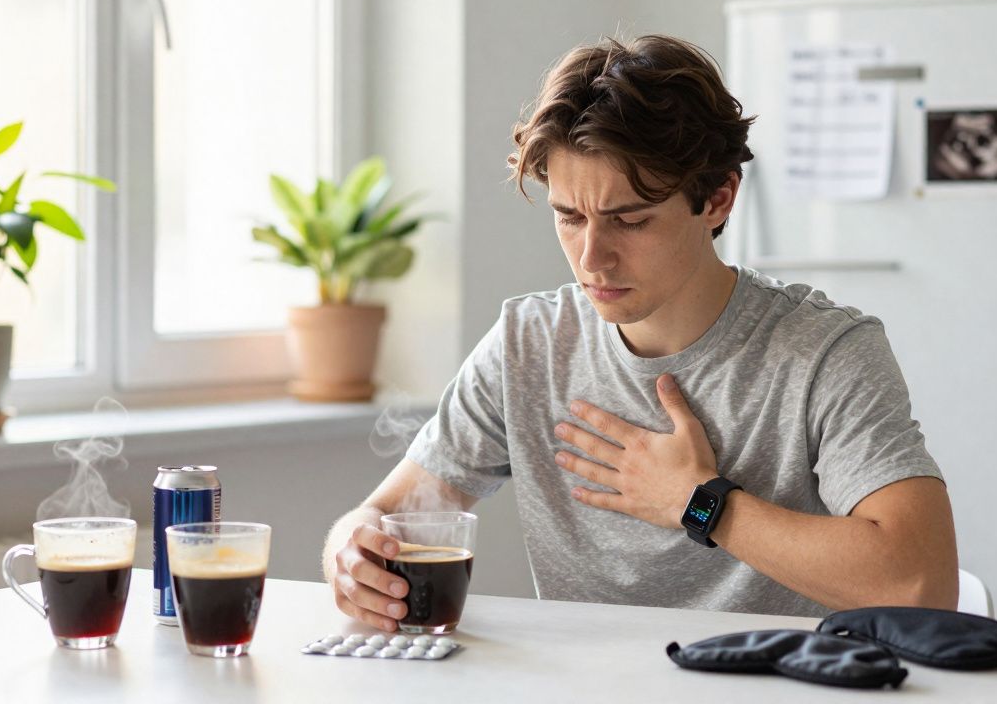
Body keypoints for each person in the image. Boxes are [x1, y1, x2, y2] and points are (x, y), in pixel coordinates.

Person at [323, 35, 958, 631]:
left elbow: (921, 587)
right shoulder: (529, 343)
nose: (591, 257)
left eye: (629, 221)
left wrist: (703, 504)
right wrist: (350, 548)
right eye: (569, 217)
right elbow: (387, 514)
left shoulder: (825, 353)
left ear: (717, 199)